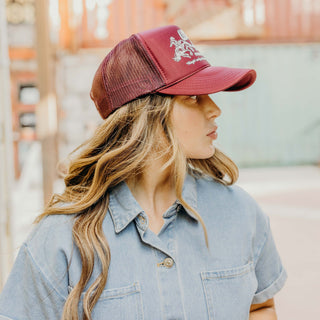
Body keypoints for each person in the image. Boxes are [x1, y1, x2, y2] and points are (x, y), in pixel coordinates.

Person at [0, 25, 287, 320]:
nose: (214, 109)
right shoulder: (61, 238)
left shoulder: (241, 213)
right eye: (192, 97)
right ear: (146, 114)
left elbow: (260, 305)